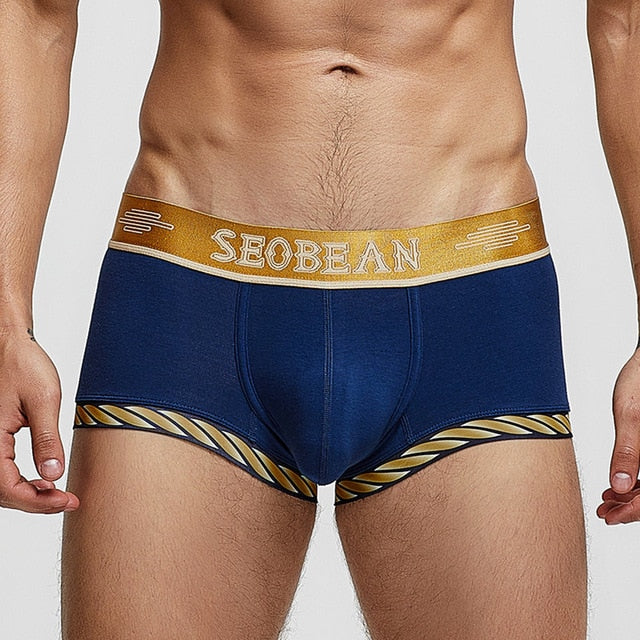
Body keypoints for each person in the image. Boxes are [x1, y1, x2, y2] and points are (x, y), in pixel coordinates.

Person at [2, 0, 638, 638]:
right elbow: (32, 13)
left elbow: (627, 22)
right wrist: (5, 324)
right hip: (191, 306)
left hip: (469, 303)